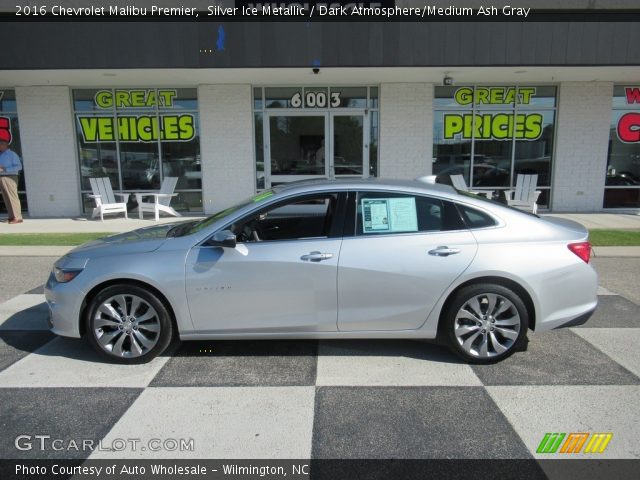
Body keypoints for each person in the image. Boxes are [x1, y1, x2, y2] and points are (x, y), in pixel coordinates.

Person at [0, 138, 23, 224]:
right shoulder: (1, 155)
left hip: (10, 177)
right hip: (2, 178)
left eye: (0, 144)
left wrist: (5, 169)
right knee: (6, 198)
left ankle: (18, 217)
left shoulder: (12, 154)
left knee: (12, 197)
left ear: (5, 145)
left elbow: (19, 166)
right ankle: (11, 217)